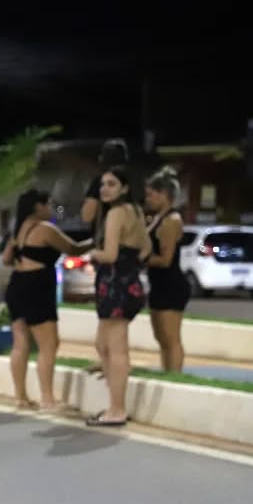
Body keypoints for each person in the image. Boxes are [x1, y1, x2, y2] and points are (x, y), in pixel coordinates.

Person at [1, 190, 92, 411]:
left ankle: (20, 397)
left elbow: (6, 259)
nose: (51, 208)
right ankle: (47, 399)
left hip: (17, 284)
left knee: (20, 343)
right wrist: (98, 241)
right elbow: (73, 249)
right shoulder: (44, 229)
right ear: (37, 207)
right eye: (48, 204)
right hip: (37, 287)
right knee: (49, 344)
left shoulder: (18, 230)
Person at [87, 167, 151, 427]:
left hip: (114, 285)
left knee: (116, 349)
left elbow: (110, 254)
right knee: (102, 346)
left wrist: (93, 254)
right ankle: (115, 404)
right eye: (102, 184)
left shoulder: (115, 213)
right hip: (128, 283)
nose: (104, 189)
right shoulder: (136, 213)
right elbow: (146, 249)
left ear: (124, 188)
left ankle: (117, 409)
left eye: (111, 184)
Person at [144, 167, 190, 373]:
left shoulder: (171, 220)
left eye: (151, 194)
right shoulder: (155, 218)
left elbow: (165, 259)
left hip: (171, 284)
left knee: (171, 338)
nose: (148, 199)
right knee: (161, 337)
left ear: (164, 195)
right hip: (158, 283)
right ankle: (167, 372)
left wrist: (140, 259)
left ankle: (175, 376)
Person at [81, 139, 128, 237]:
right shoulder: (135, 181)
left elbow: (87, 216)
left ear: (102, 159)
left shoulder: (101, 181)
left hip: (107, 240)